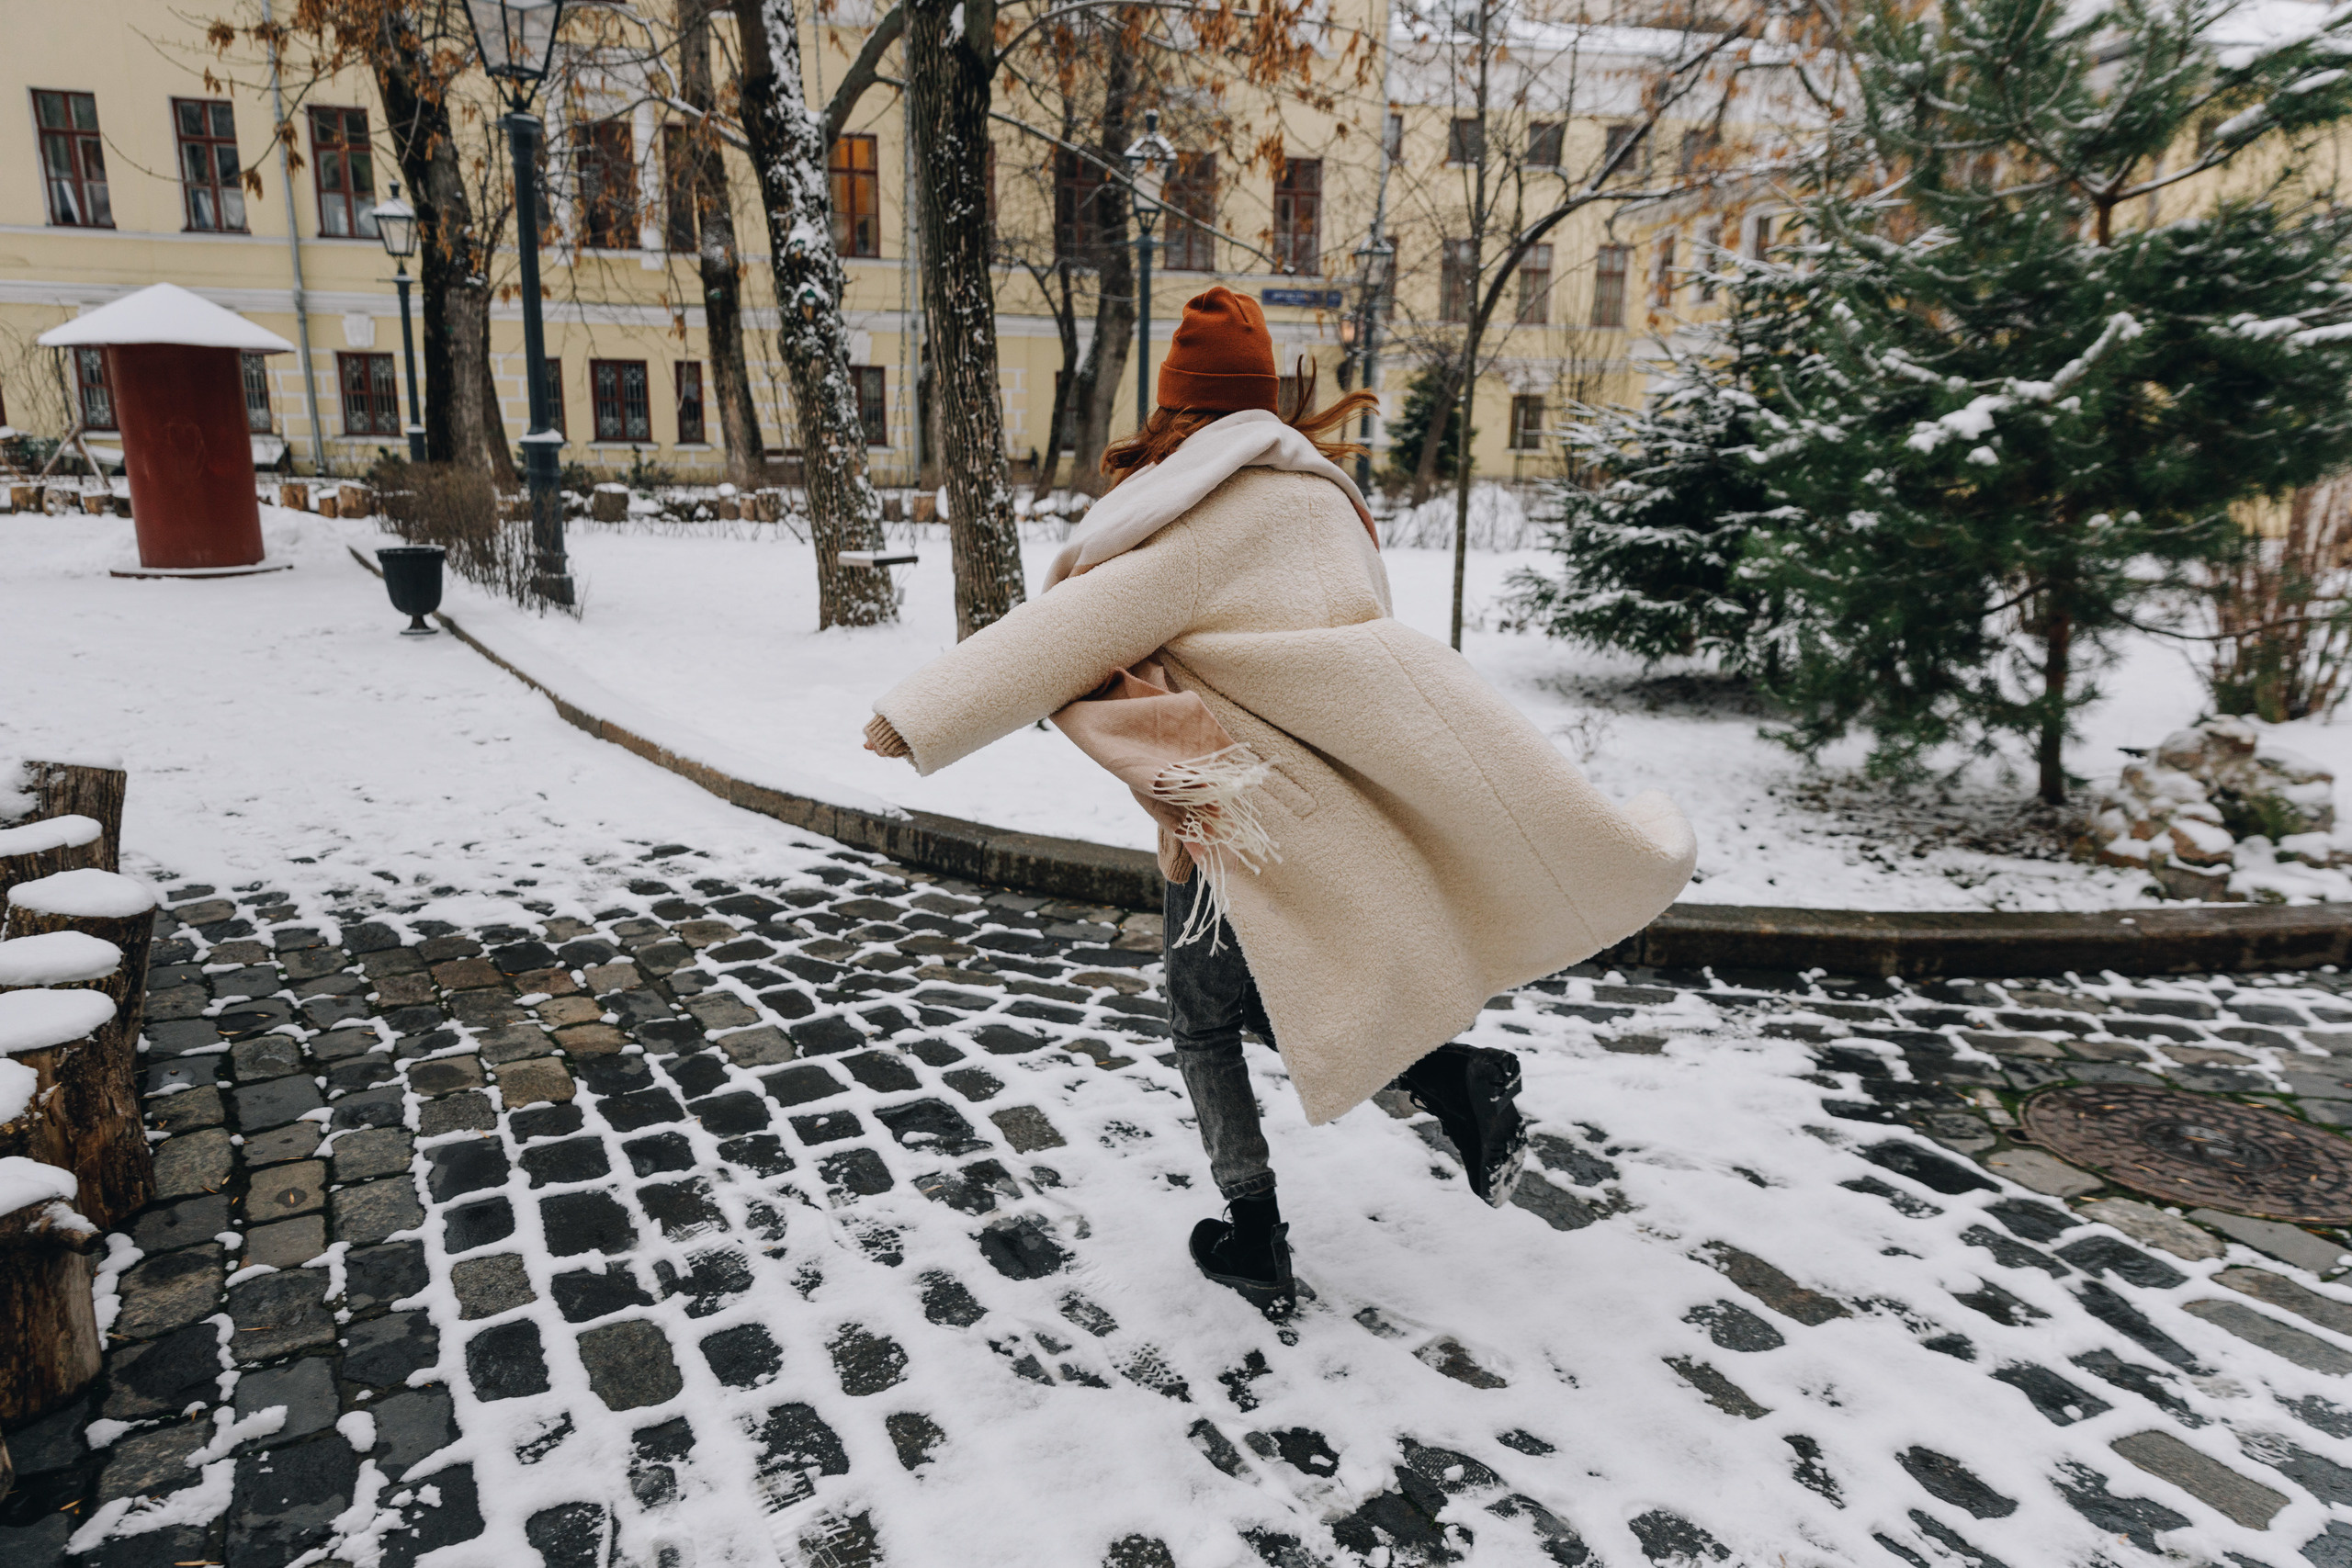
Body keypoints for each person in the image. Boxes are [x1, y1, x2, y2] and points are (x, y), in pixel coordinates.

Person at [864, 287, 1695, 1314]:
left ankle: (1261, 1224)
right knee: (1273, 988)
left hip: (1231, 808)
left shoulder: (1202, 519)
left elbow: (1070, 628)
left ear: (1181, 412)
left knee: (1200, 1017)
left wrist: (920, 713)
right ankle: (1449, 1083)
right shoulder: (1329, 503)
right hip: (1327, 808)